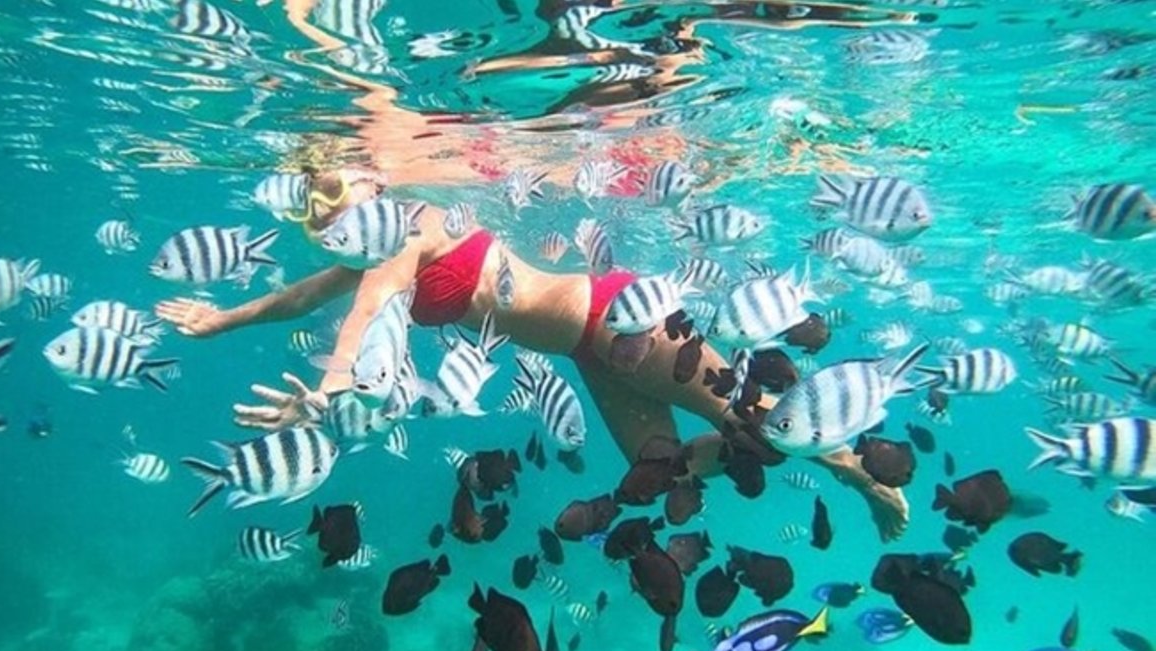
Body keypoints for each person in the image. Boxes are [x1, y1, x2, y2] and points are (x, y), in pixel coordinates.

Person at [156, 164, 910, 541]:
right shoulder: (369, 250)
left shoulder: (410, 226)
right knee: (661, 470)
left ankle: (857, 470)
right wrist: (220, 321)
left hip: (619, 319)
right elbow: (299, 298)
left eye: (337, 189)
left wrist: (331, 388)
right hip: (587, 351)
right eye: (316, 201)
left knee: (749, 414)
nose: (329, 207)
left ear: (372, 184)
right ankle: (800, 449)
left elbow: (368, 309)